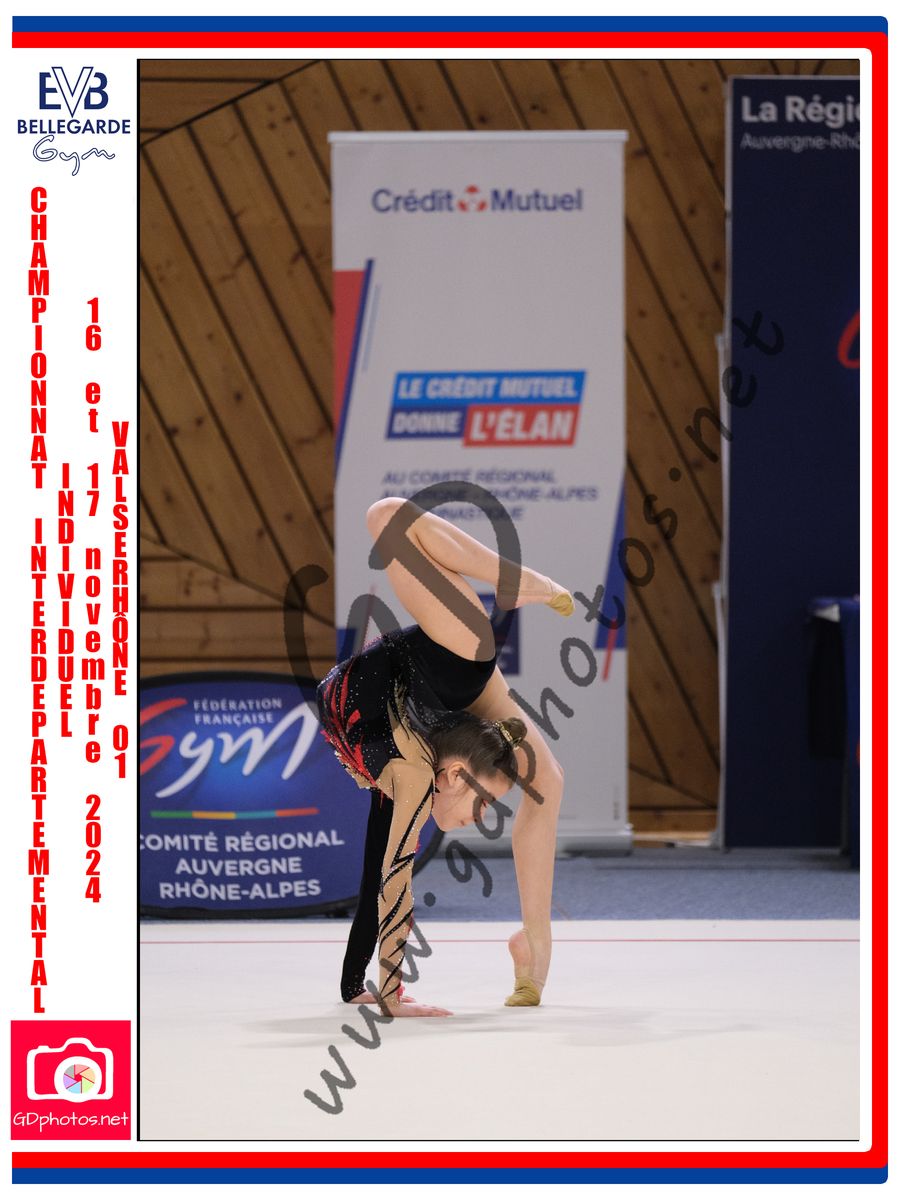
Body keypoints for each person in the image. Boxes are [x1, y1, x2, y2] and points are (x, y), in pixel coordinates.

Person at [316, 497, 572, 1017]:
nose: (481, 819)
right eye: (484, 803)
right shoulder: (414, 772)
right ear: (454, 774)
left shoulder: (411, 768)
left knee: (547, 779)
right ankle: (516, 581)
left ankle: (535, 943)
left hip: (421, 690)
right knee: (387, 516)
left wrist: (356, 985)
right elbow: (396, 880)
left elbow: (380, 872)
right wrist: (392, 998)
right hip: (448, 663)